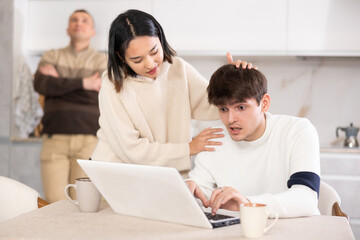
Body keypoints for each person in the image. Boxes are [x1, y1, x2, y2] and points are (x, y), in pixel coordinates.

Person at [91, 9, 253, 177]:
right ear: (120, 56)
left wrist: (237, 80)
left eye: (154, 51)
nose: (150, 64)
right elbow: (131, 151)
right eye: (137, 60)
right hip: (116, 176)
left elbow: (217, 104)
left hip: (166, 176)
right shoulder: (113, 84)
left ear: (161, 39)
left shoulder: (178, 69)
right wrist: (188, 148)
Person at [186, 64, 321, 218]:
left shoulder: (297, 131)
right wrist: (192, 190)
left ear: (264, 104)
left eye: (241, 107)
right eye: (223, 109)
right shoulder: (214, 138)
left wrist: (247, 204)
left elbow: (306, 199)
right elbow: (201, 190)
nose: (230, 120)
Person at [34, 9, 107, 203]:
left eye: (84, 20)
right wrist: (85, 84)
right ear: (68, 28)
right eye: (74, 20)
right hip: (55, 139)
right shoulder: (52, 55)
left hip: (89, 141)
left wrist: (59, 85)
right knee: (55, 203)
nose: (79, 23)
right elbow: (41, 84)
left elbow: (100, 98)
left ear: (93, 32)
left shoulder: (103, 61)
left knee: (84, 203)